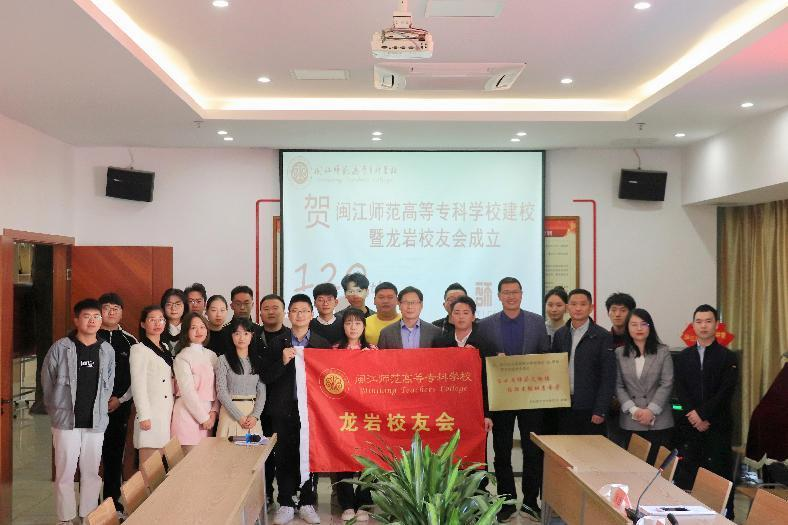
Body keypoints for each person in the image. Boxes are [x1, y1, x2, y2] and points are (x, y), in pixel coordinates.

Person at [476, 277, 549, 523]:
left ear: (521, 294)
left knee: (532, 451)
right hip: (502, 398)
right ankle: (507, 502)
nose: (511, 296)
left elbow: (546, 356)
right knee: (502, 451)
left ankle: (530, 502)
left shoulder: (537, 322)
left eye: (515, 292)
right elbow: (481, 361)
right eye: (506, 292)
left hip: (531, 397)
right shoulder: (486, 325)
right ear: (498, 296)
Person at [42, 298, 115, 525]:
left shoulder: (106, 349)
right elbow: (47, 383)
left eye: (96, 316)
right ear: (76, 320)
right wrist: (56, 411)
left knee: (91, 472)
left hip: (95, 421)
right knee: (65, 473)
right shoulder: (61, 348)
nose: (92, 321)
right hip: (66, 421)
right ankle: (65, 519)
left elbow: (109, 384)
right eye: (86, 316)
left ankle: (88, 516)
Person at [261, 294, 331, 525]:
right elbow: (266, 377)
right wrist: (282, 361)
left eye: (304, 311)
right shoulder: (277, 343)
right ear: (288, 315)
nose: (299, 315)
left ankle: (307, 502)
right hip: (283, 409)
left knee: (309, 456)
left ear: (312, 314)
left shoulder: (321, 344)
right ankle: (286, 503)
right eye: (295, 311)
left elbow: (330, 380)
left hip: (312, 412)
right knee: (284, 456)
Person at [673, 304, 738, 518]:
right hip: (691, 426)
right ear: (693, 325)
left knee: (720, 473)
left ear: (716, 324)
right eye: (699, 322)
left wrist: (704, 415)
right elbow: (680, 389)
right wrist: (694, 415)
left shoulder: (728, 357)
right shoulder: (684, 357)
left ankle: (725, 517)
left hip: (718, 424)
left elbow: (725, 391)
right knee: (691, 474)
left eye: (708, 321)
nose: (703, 326)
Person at [551, 288, 615, 436]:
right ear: (567, 307)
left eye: (583, 304)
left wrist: (600, 409)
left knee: (591, 448)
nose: (578, 308)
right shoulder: (560, 335)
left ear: (591, 308)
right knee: (566, 447)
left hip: (590, 407)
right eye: (573, 304)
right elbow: (553, 370)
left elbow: (608, 377)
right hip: (564, 405)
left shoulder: (603, 336)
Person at [331, 308, 375, 522]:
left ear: (364, 327)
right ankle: (347, 503)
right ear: (343, 326)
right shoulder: (334, 350)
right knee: (343, 455)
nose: (353, 327)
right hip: (341, 412)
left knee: (370, 457)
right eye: (348, 323)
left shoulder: (373, 350)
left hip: (367, 413)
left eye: (357, 323)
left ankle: (364, 502)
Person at [614, 308, 674, 465]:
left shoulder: (663, 351)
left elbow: (667, 383)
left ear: (650, 327)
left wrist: (650, 411)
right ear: (627, 328)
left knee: (659, 468)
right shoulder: (619, 353)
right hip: (631, 420)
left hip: (659, 421)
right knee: (634, 468)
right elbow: (618, 386)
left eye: (643, 324)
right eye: (634, 324)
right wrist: (634, 411)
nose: (639, 328)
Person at [97, 292, 137, 515]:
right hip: (92, 410)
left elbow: (135, 378)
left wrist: (120, 399)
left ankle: (113, 504)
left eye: (116, 308)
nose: (111, 312)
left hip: (119, 408)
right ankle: (90, 506)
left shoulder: (130, 341)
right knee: (91, 459)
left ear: (122, 312)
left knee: (114, 457)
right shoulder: (90, 336)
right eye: (106, 308)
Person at [130, 305, 175, 465]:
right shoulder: (139, 349)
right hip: (151, 413)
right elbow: (138, 385)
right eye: (152, 320)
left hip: (166, 412)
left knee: (162, 466)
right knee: (150, 468)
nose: (157, 323)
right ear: (143, 324)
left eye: (161, 319)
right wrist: (144, 415)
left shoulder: (166, 347)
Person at [170, 312, 219, 452]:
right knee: (190, 463)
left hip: (208, 415)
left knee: (204, 462)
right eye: (193, 328)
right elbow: (187, 392)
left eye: (202, 327)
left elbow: (218, 387)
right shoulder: (182, 357)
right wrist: (203, 418)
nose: (199, 331)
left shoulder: (212, 355)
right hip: (187, 415)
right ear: (186, 331)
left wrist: (214, 412)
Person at [215, 316, 266, 437]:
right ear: (231, 336)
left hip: (252, 416)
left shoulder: (258, 360)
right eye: (237, 333)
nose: (241, 338)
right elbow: (221, 391)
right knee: (227, 448)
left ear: (252, 335)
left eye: (246, 333)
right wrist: (239, 417)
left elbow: (262, 392)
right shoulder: (223, 360)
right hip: (230, 414)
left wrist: (255, 416)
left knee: (253, 449)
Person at [605, 292, 636, 447]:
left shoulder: (639, 340)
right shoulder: (602, 339)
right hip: (610, 407)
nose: (617, 314)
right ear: (608, 313)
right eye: (613, 310)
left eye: (623, 310)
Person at [377, 286, 441, 349]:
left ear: (421, 305)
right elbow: (381, 356)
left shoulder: (435, 332)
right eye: (405, 302)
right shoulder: (386, 333)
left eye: (414, 302)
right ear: (399, 305)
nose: (410, 306)